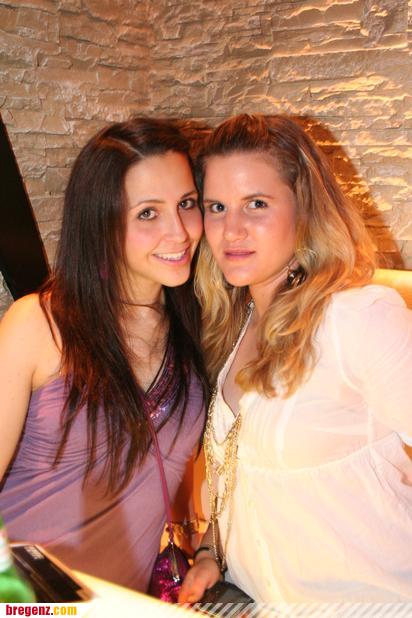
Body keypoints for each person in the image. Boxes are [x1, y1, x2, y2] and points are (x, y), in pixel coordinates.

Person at [179, 114, 412, 604]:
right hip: (260, 602)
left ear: (304, 207)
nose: (231, 230)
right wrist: (210, 552)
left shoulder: (355, 317)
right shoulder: (233, 321)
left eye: (256, 204)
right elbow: (239, 475)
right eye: (217, 207)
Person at [0, 117, 208, 592]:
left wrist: (204, 545)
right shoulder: (39, 325)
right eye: (148, 213)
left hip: (125, 602)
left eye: (186, 204)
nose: (178, 232)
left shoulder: (197, 327)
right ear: (101, 222)